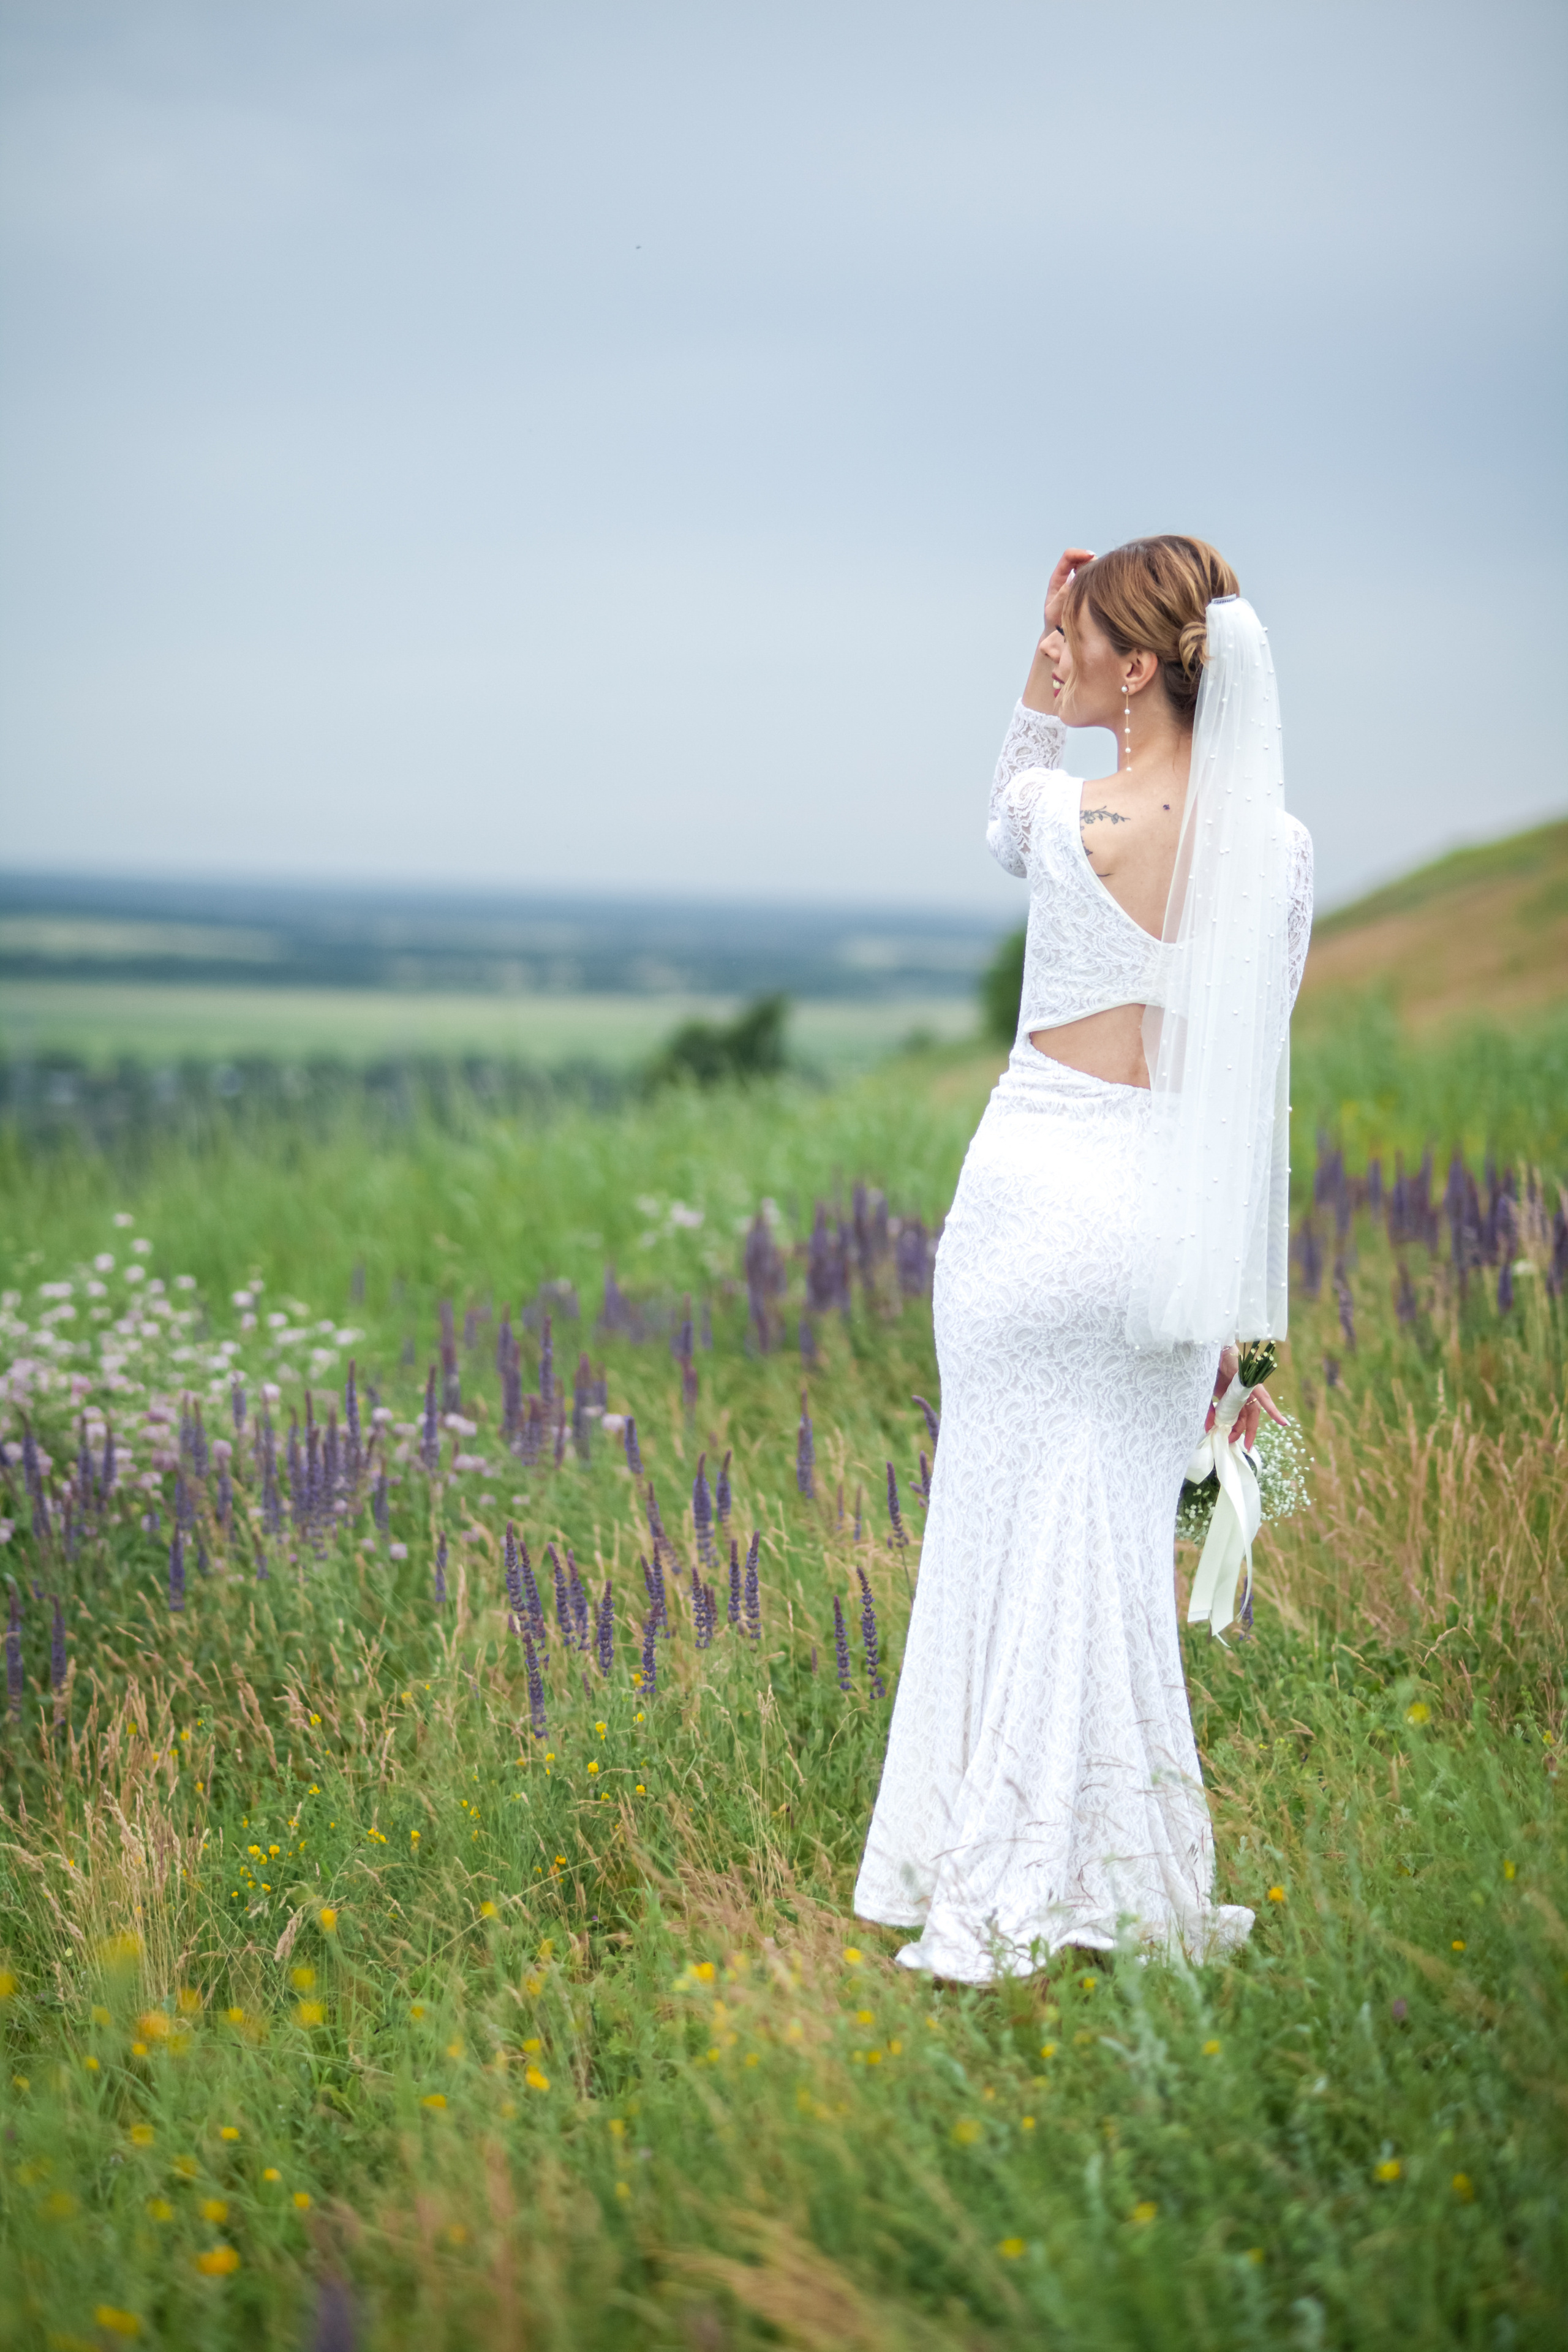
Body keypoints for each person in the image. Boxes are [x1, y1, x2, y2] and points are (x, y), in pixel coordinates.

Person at [853, 535, 1314, 1981]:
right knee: (1107, 1559)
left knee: (992, 1539)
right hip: (1161, 1227)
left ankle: (984, 1871)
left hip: (1024, 1205)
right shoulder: (1279, 853)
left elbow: (998, 809)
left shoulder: (1062, 814)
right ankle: (1119, 1875)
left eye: (1094, 645)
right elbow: (1251, 1077)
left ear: (1128, 665)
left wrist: (1033, 668)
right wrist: (1240, 1298)